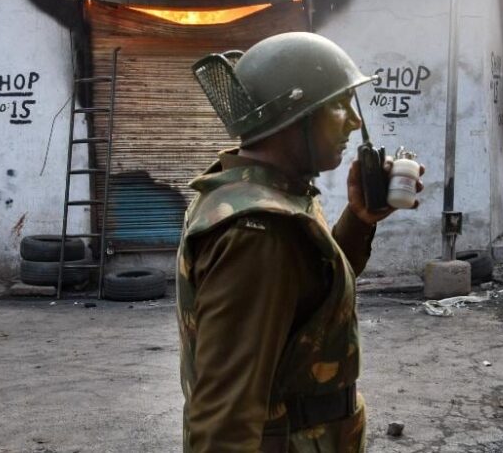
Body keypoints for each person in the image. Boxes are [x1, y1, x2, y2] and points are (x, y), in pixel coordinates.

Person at [177, 32, 422, 453]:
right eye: (339, 104)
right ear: (294, 116)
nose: (354, 121)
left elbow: (310, 300)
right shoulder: (259, 231)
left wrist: (359, 220)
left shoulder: (267, 194)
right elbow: (225, 418)